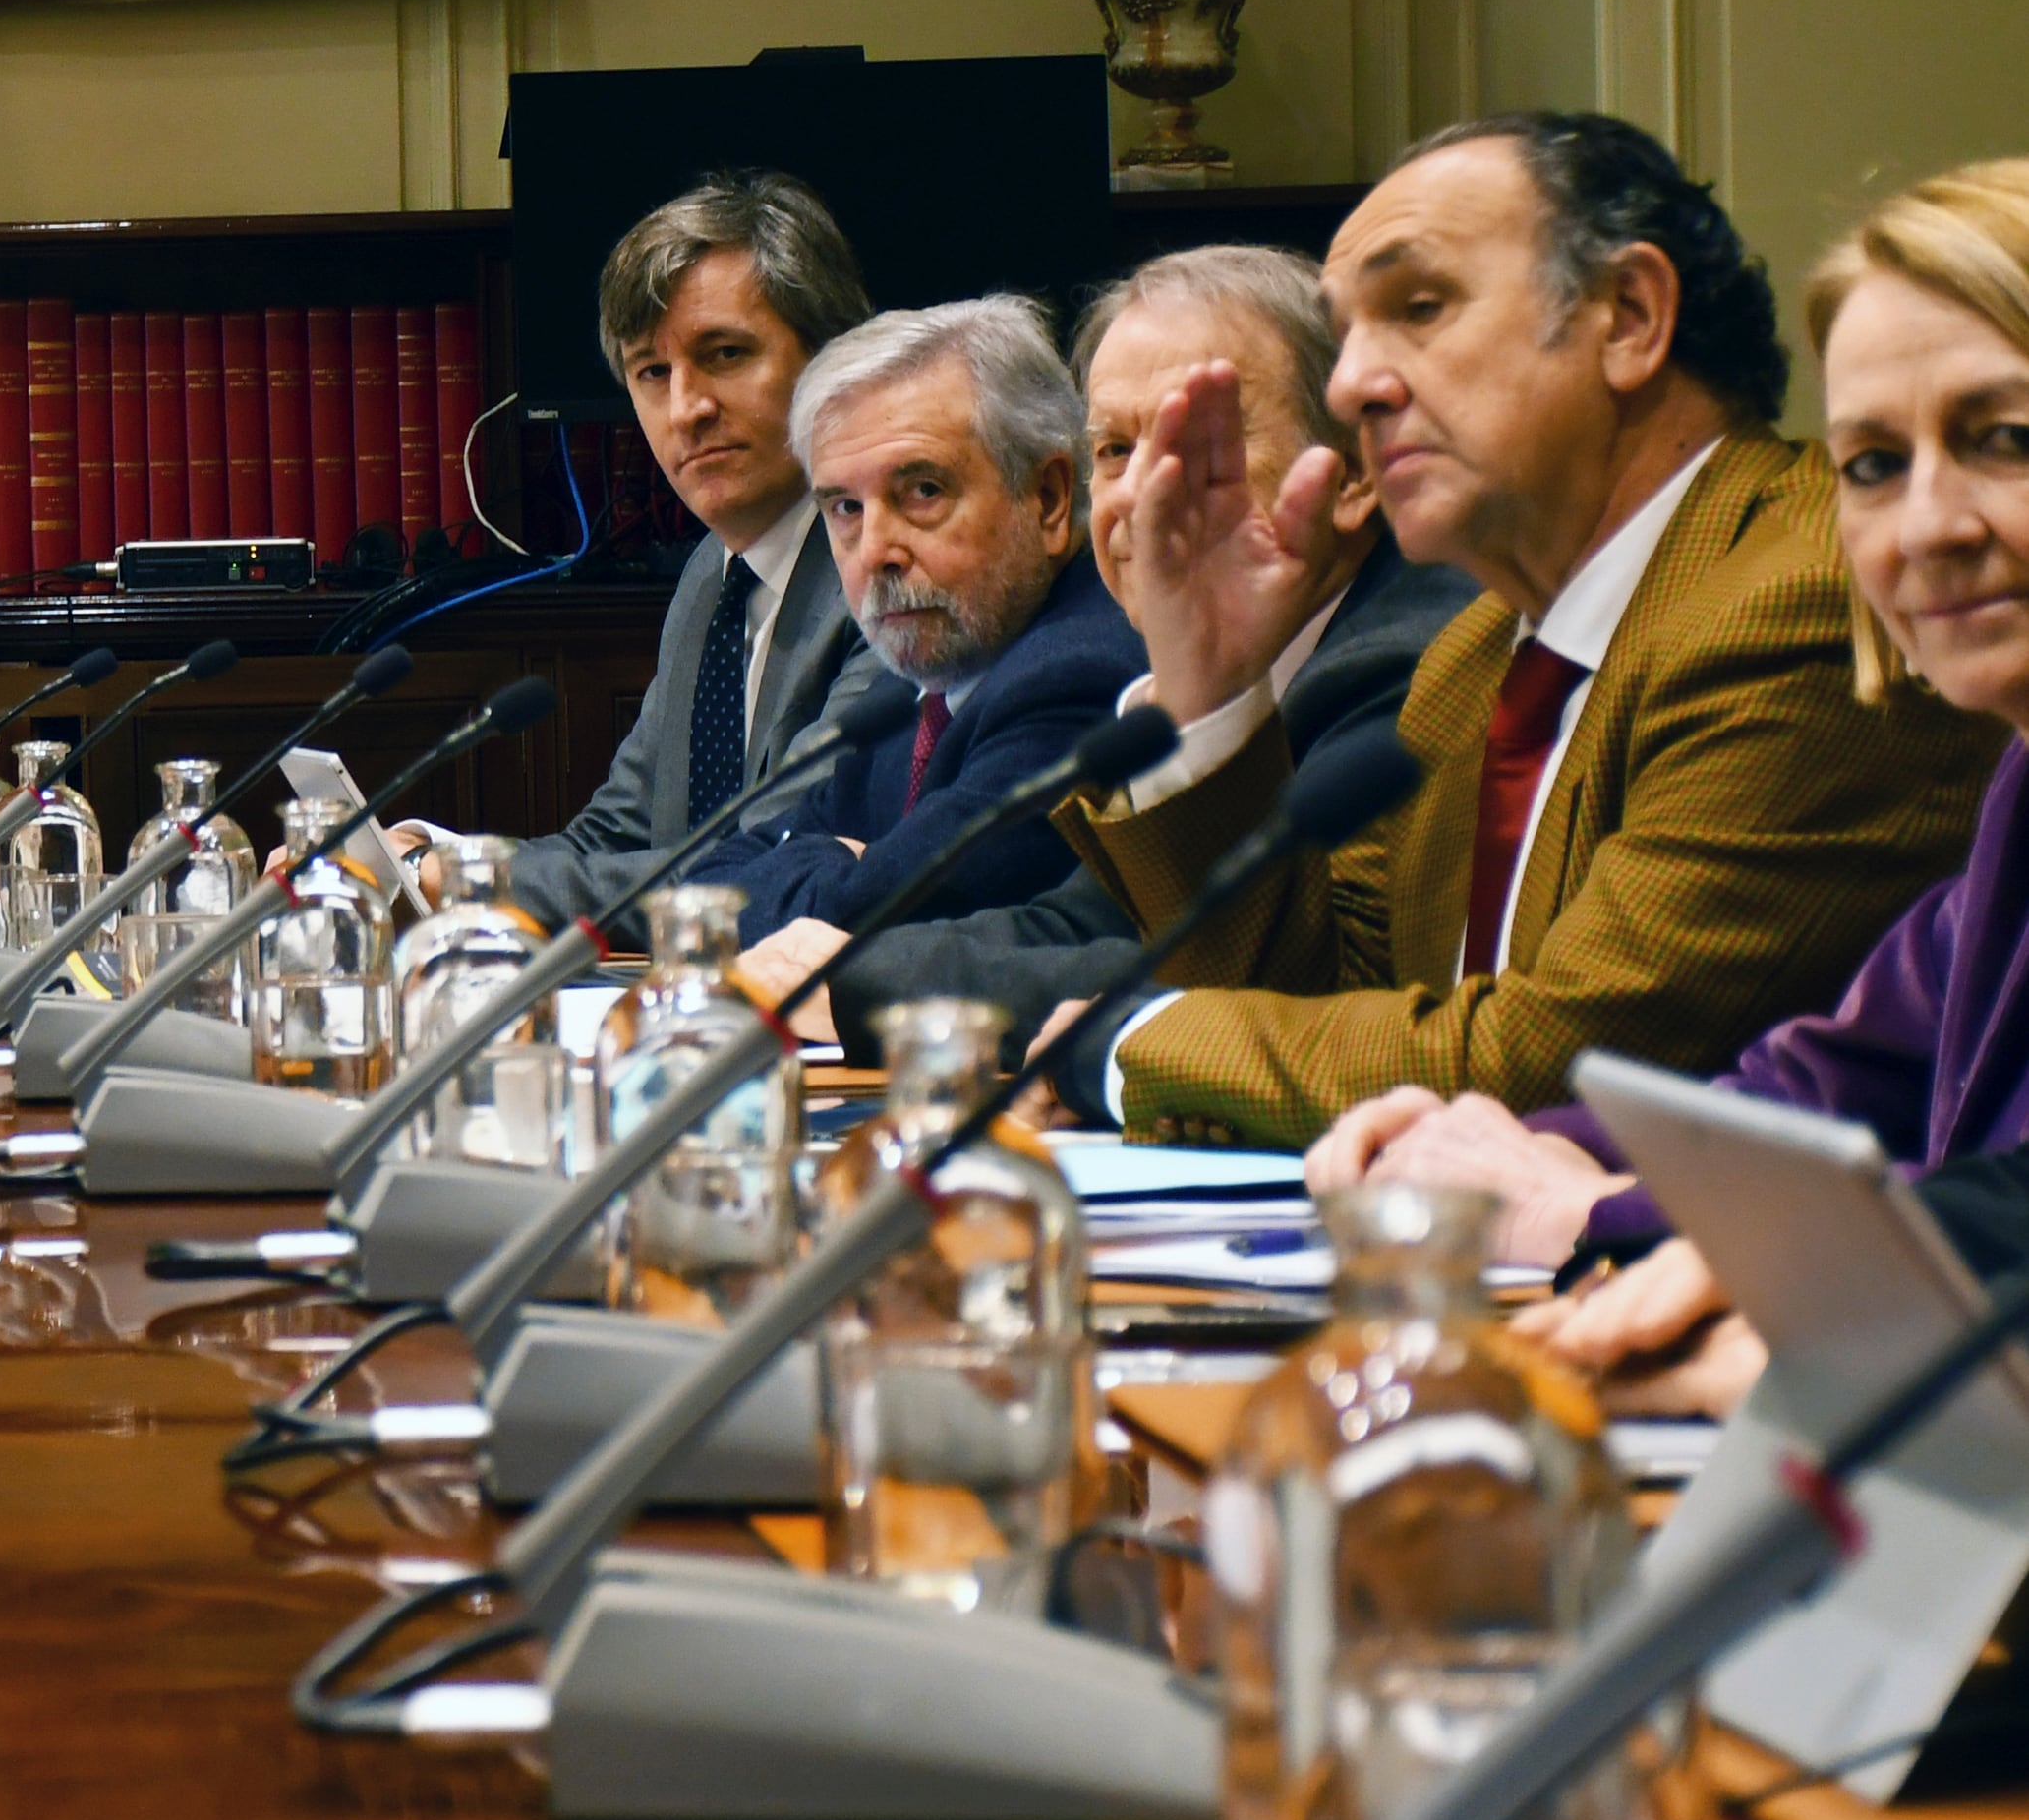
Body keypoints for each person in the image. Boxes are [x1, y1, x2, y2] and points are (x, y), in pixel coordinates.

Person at [1058, 112, 2001, 1148]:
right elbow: (1318, 995)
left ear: (1628, 316)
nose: (1348, 385)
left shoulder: (1797, 603)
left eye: (1416, 308)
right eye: (1344, 336)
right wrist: (1207, 678)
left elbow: (1547, 1068)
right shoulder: (1472, 662)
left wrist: (1123, 1042)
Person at [1304, 160, 2029, 1335]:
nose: (1928, 528)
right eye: (1873, 465)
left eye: (2000, 438)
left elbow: (1998, 1215)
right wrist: (1493, 1150)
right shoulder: (2017, 792)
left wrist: (1594, 1214)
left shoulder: (1761, 603)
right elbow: (1815, 1088)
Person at [793, 246, 1475, 1040]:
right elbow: (1088, 925)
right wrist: (846, 973)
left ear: (1355, 475)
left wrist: (856, 986)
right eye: (1115, 451)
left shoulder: (1413, 665)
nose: (1144, 499)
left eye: (1203, 446)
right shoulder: (1194, 672)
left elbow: (1277, 996)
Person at [497, 172, 889, 927]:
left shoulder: (881, 571)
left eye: (726, 354)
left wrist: (468, 885)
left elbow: (764, 866)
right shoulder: (711, 577)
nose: (687, 409)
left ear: (832, 365)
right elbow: (615, 837)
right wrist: (423, 865)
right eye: (653, 372)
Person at [710, 299, 1145, 948]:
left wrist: (831, 866)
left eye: (923, 492)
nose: (877, 551)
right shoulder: (910, 691)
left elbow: (874, 920)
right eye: (846, 508)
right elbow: (709, 885)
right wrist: (838, 864)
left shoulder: (1079, 673)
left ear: (1049, 499)